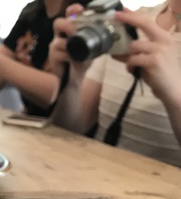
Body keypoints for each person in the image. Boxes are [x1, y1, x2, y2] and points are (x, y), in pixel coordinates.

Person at [48, 2, 181, 166]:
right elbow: (72, 130)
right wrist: (72, 81)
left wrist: (175, 97)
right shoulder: (128, 22)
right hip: (96, 179)